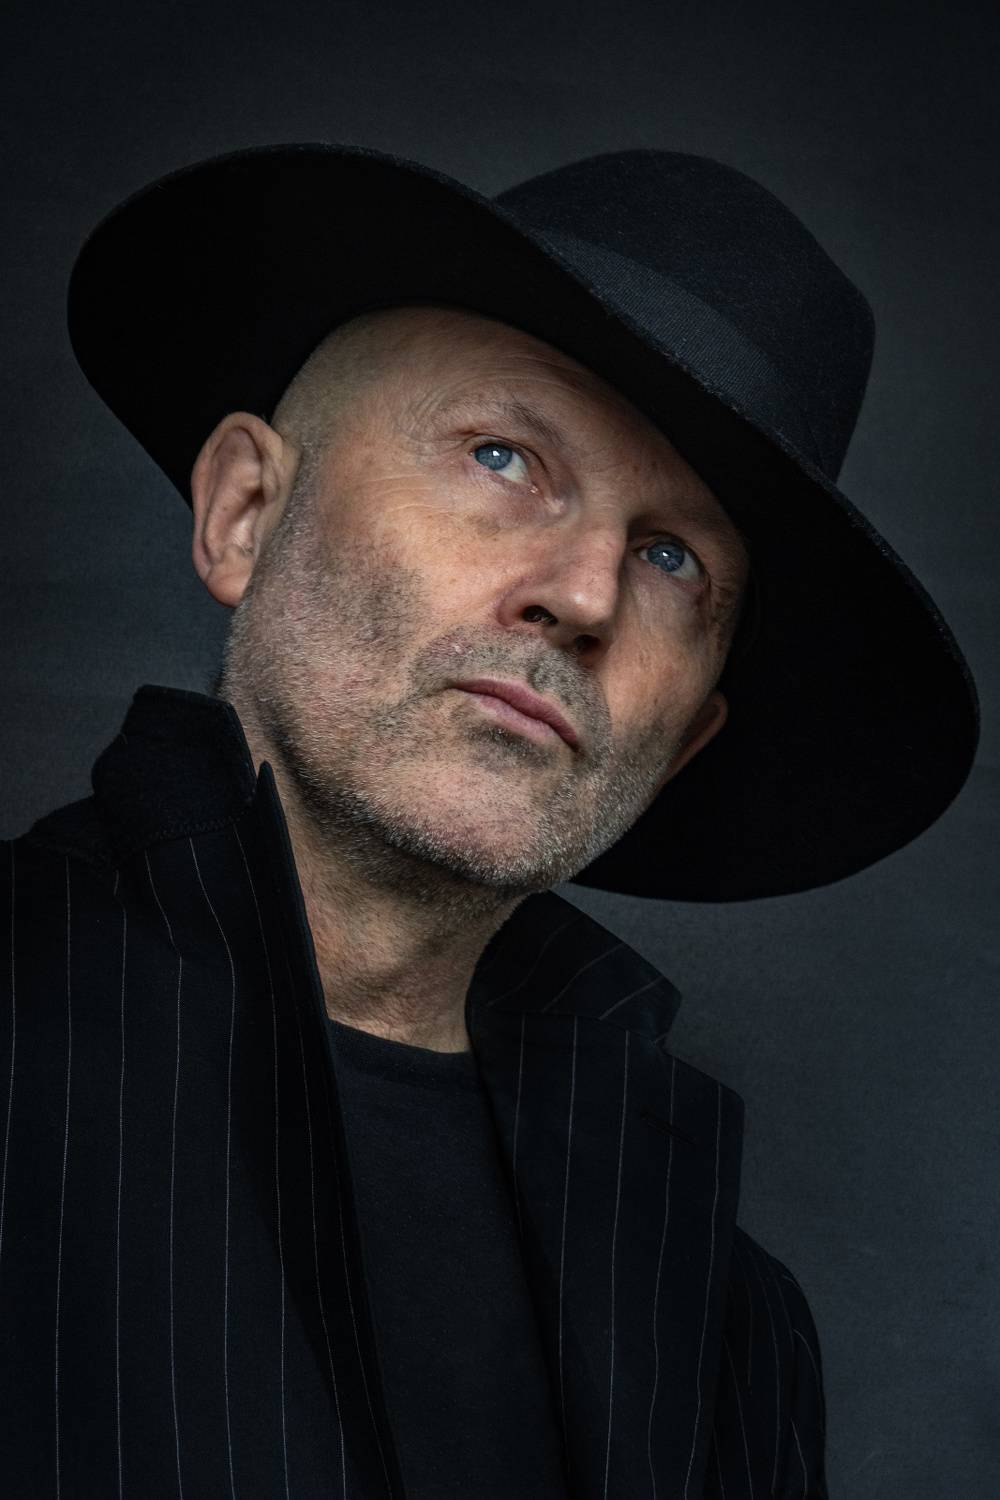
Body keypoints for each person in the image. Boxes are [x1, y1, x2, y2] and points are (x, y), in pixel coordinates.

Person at [0, 144, 978, 1500]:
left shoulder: (731, 1327)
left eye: (672, 557)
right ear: (244, 512)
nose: (584, 595)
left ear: (683, 741)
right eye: (503, 456)